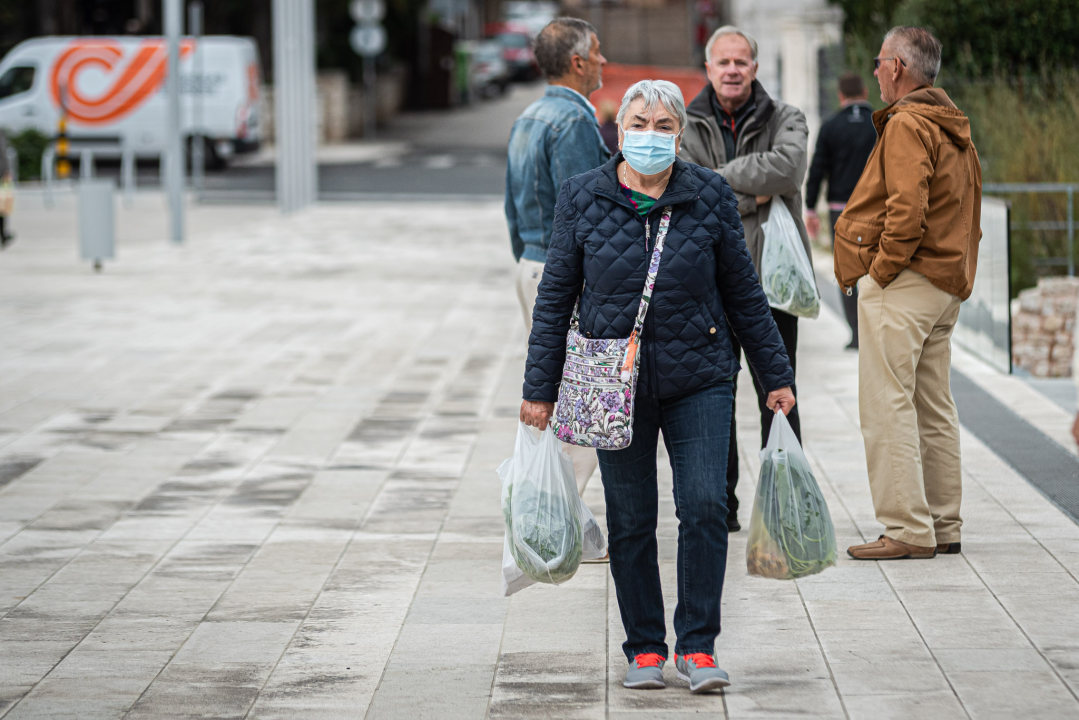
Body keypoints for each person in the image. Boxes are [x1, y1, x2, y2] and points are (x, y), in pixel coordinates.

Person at [520, 80, 795, 694]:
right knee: (632, 518)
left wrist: (775, 375)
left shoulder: (710, 194)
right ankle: (645, 647)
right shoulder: (582, 197)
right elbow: (553, 300)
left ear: (679, 134)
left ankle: (697, 647)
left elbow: (745, 294)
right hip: (613, 388)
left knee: (703, 506)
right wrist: (539, 389)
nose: (650, 136)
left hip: (700, 376)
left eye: (663, 126)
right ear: (620, 133)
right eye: (638, 124)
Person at [836, 27, 981, 560]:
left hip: (907, 283)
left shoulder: (907, 124)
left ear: (896, 67)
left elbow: (907, 210)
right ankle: (944, 525)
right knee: (933, 407)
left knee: (887, 404)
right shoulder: (952, 123)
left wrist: (879, 272)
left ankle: (906, 529)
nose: (875, 70)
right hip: (944, 285)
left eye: (880, 62)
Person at [680, 26, 810, 531]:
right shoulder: (685, 122)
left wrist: (718, 178)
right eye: (723, 62)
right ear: (708, 69)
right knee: (716, 398)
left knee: (779, 394)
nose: (733, 70)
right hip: (707, 284)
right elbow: (684, 186)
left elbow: (789, 168)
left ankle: (785, 505)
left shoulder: (786, 117)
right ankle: (724, 510)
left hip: (772, 288)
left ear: (755, 69)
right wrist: (754, 192)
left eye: (742, 61)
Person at [505, 17, 609, 494]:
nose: (604, 61)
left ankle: (557, 515)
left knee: (555, 390)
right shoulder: (574, 122)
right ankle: (562, 521)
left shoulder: (527, 117)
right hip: (561, 271)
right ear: (577, 62)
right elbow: (590, 214)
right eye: (598, 51)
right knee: (581, 399)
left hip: (530, 263)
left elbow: (511, 207)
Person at [804, 72, 877, 350]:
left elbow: (818, 168)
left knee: (848, 272)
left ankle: (857, 334)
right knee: (877, 268)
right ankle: (877, 330)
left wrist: (810, 208)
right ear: (866, 91)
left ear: (841, 96)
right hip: (877, 209)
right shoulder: (881, 123)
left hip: (841, 210)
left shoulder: (831, 126)